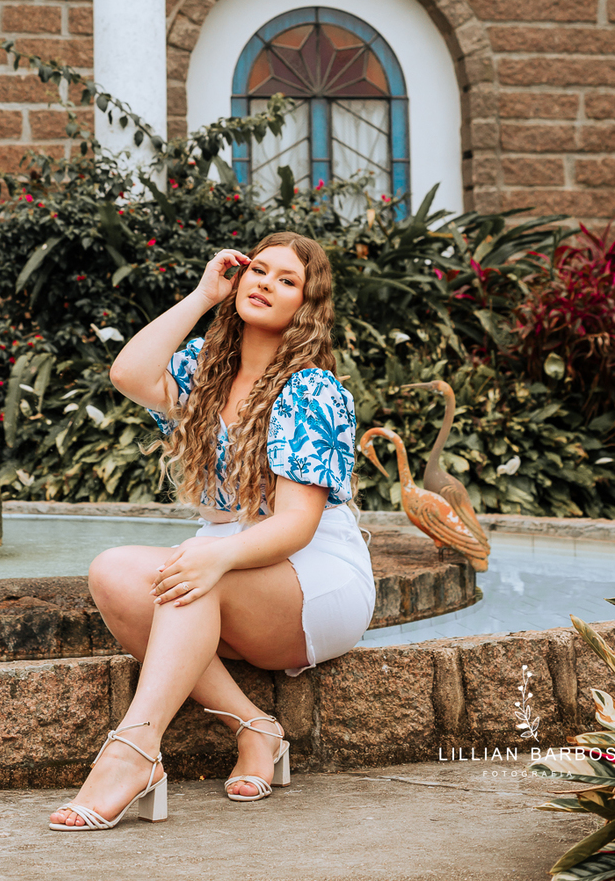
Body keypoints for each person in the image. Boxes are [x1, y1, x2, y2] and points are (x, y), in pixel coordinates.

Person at [48, 233, 375, 831]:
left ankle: (134, 753)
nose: (266, 284)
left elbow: (298, 524)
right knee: (114, 573)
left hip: (315, 572)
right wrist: (202, 295)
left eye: (287, 281)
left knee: (196, 573)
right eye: (259, 270)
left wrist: (215, 558)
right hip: (227, 557)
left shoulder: (310, 389)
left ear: (305, 305)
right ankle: (255, 727)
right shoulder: (202, 367)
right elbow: (127, 372)